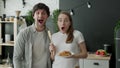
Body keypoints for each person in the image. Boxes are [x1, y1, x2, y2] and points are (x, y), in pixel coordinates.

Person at [13, 3, 51, 68]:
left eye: (43, 13)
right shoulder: (23, 34)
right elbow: (17, 58)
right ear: (33, 16)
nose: (40, 15)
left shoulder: (50, 34)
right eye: (37, 13)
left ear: (47, 16)